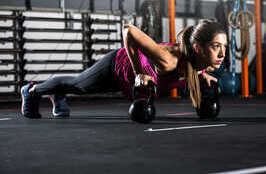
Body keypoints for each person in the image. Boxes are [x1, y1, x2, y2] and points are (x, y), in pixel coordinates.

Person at [20, 20, 228, 118]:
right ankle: (30, 91)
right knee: (78, 86)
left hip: (126, 83)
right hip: (117, 67)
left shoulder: (202, 62)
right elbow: (129, 30)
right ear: (199, 48)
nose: (222, 53)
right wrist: (139, 72)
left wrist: (202, 75)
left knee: (76, 87)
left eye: (225, 47)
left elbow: (191, 67)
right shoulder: (168, 61)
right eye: (216, 46)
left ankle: (58, 94)